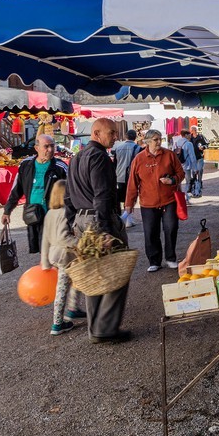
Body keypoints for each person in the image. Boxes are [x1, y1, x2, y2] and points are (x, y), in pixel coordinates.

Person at [65, 118, 132, 342]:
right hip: (98, 220)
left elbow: (68, 197)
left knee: (93, 273)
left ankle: (95, 328)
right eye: (111, 133)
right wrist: (104, 231)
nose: (115, 137)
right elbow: (102, 196)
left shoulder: (77, 158)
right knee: (117, 270)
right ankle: (105, 328)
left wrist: (72, 223)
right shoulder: (99, 157)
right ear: (96, 134)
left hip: (81, 220)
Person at [126, 129, 185, 271]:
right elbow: (132, 183)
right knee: (151, 232)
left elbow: (181, 173)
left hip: (169, 200)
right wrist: (129, 203)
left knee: (171, 228)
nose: (159, 142)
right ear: (147, 142)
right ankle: (154, 261)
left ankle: (170, 258)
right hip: (148, 203)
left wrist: (172, 180)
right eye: (155, 139)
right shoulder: (139, 159)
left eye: (160, 139)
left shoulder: (169, 155)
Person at [3, 131, 66, 255]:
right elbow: (16, 189)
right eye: (46, 146)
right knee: (39, 248)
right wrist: (7, 211)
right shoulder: (26, 165)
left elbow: (71, 192)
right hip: (32, 214)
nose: (50, 150)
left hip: (52, 215)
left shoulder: (60, 167)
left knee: (51, 250)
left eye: (52, 146)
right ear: (37, 148)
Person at [40, 180, 86, 336]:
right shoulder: (65, 213)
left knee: (74, 280)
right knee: (62, 288)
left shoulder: (50, 213)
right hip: (65, 255)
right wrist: (81, 243)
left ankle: (73, 308)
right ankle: (57, 323)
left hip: (54, 254)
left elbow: (45, 238)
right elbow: (63, 237)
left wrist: (45, 261)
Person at [113, 128, 137, 218]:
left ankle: (123, 216)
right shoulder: (138, 148)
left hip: (119, 176)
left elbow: (115, 164)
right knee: (131, 198)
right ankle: (127, 218)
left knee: (120, 197)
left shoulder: (118, 148)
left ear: (126, 137)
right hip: (132, 177)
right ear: (135, 137)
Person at [189, 127, 208, 197]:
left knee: (199, 170)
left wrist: (203, 147)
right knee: (194, 172)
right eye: (191, 130)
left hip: (200, 157)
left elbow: (207, 144)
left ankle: (199, 183)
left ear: (195, 130)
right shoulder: (190, 138)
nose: (192, 131)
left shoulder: (201, 137)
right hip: (192, 158)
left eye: (192, 130)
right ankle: (195, 184)